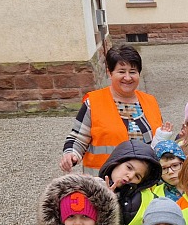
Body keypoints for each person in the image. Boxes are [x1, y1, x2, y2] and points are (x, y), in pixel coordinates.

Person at [60, 45, 163, 176]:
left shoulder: (150, 101)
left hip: (141, 182)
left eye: (132, 72)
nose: (127, 77)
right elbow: (78, 137)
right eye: (121, 71)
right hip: (103, 181)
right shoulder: (93, 102)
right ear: (110, 73)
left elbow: (160, 139)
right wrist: (71, 154)